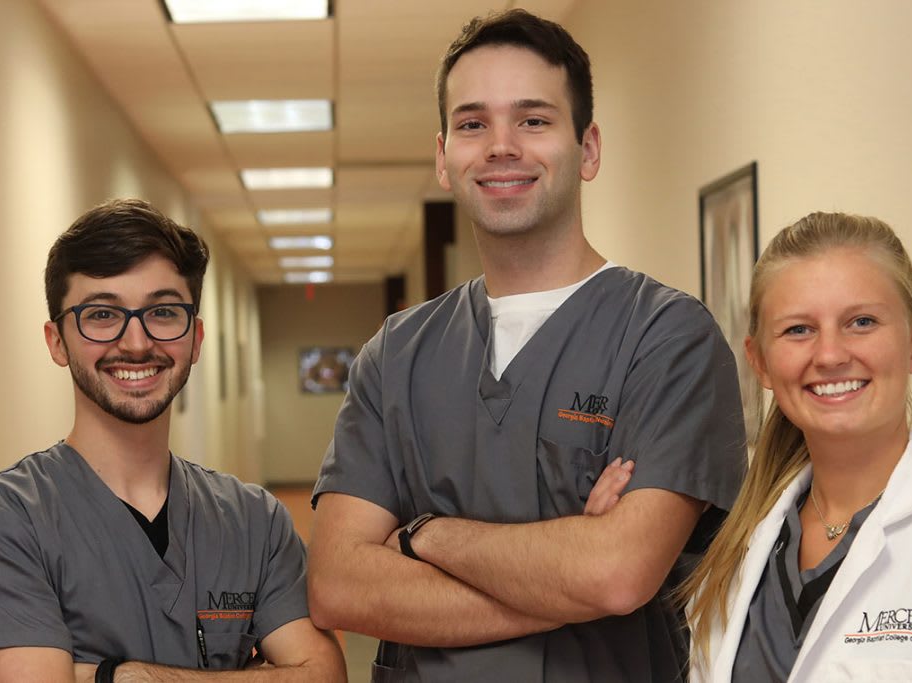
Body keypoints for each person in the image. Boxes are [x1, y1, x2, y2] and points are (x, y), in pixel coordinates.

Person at [308, 9, 747, 682]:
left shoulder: (668, 339)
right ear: (443, 156)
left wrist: (426, 536)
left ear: (589, 148)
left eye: (534, 120)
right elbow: (339, 583)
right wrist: (571, 576)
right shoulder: (396, 354)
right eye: (473, 123)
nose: (501, 145)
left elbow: (617, 572)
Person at [0, 199, 346, 681]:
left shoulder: (254, 522)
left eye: (162, 311)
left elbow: (323, 674)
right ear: (57, 341)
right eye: (101, 314)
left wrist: (116, 675)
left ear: (196, 339)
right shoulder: (14, 518)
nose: (137, 343)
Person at [680, 212, 912, 682]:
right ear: (759, 362)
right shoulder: (734, 555)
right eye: (798, 329)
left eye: (861, 322)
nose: (830, 355)